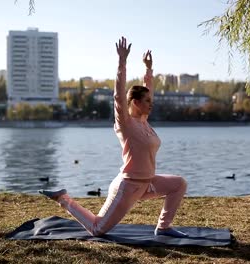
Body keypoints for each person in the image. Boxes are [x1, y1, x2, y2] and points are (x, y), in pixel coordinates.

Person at [40, 36, 188, 238]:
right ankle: (63, 199)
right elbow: (119, 96)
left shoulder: (144, 121)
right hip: (127, 187)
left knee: (179, 184)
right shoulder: (125, 123)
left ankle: (163, 227)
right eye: (146, 101)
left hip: (148, 182)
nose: (151, 104)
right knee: (97, 229)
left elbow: (148, 91)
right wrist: (122, 62)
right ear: (135, 102)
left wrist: (148, 70)